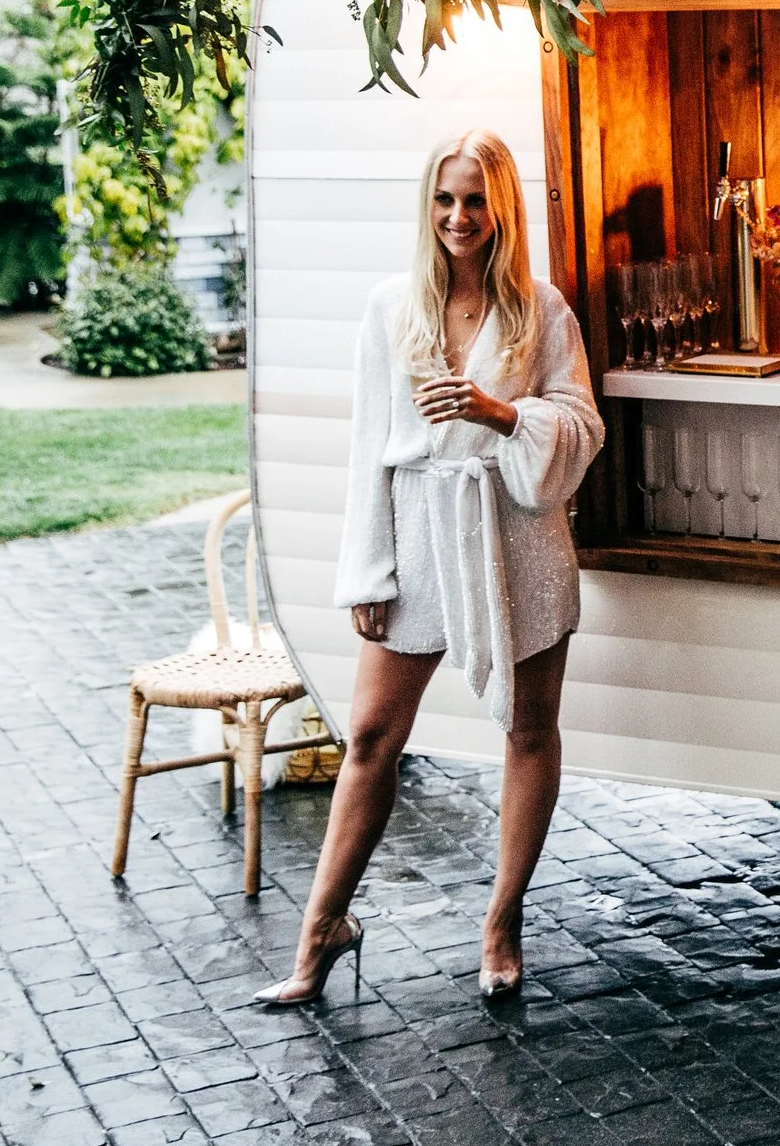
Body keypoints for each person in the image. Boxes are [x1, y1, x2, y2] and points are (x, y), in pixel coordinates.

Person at [257, 130, 604, 1006]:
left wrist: (501, 413)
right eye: (445, 199)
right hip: (419, 532)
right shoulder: (390, 307)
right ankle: (322, 928)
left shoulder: (542, 309)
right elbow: (367, 445)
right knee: (372, 736)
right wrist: (368, 572)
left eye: (476, 200)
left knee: (529, 729)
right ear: (429, 205)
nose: (459, 217)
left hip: (517, 532)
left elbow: (582, 424)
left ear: (502, 209)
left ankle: (503, 920)